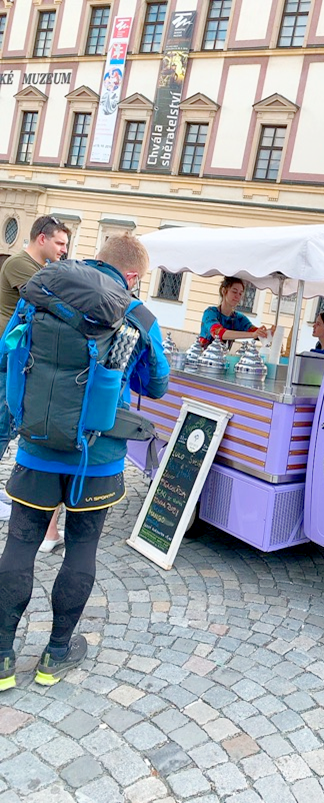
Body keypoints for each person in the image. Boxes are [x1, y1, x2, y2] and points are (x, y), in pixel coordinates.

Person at [0, 233, 169, 690]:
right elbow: (157, 386)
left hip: (36, 446)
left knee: (20, 544)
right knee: (81, 547)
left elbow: (5, 355)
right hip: (98, 457)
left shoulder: (44, 290)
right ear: (132, 276)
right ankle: (56, 654)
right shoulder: (136, 313)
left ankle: (1, 657)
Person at [0, 216, 70, 536]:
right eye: (59, 243)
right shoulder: (19, 264)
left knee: (8, 426)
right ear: (41, 239)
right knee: (2, 425)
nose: (64, 250)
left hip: (18, 360)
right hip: (5, 360)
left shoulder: (41, 269)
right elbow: (51, 296)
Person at [199, 277, 269, 349]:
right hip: (201, 357)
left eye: (240, 294)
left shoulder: (239, 318)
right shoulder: (210, 313)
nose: (237, 296)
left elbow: (256, 332)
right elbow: (219, 333)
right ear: (224, 291)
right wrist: (252, 334)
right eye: (234, 292)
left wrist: (269, 333)